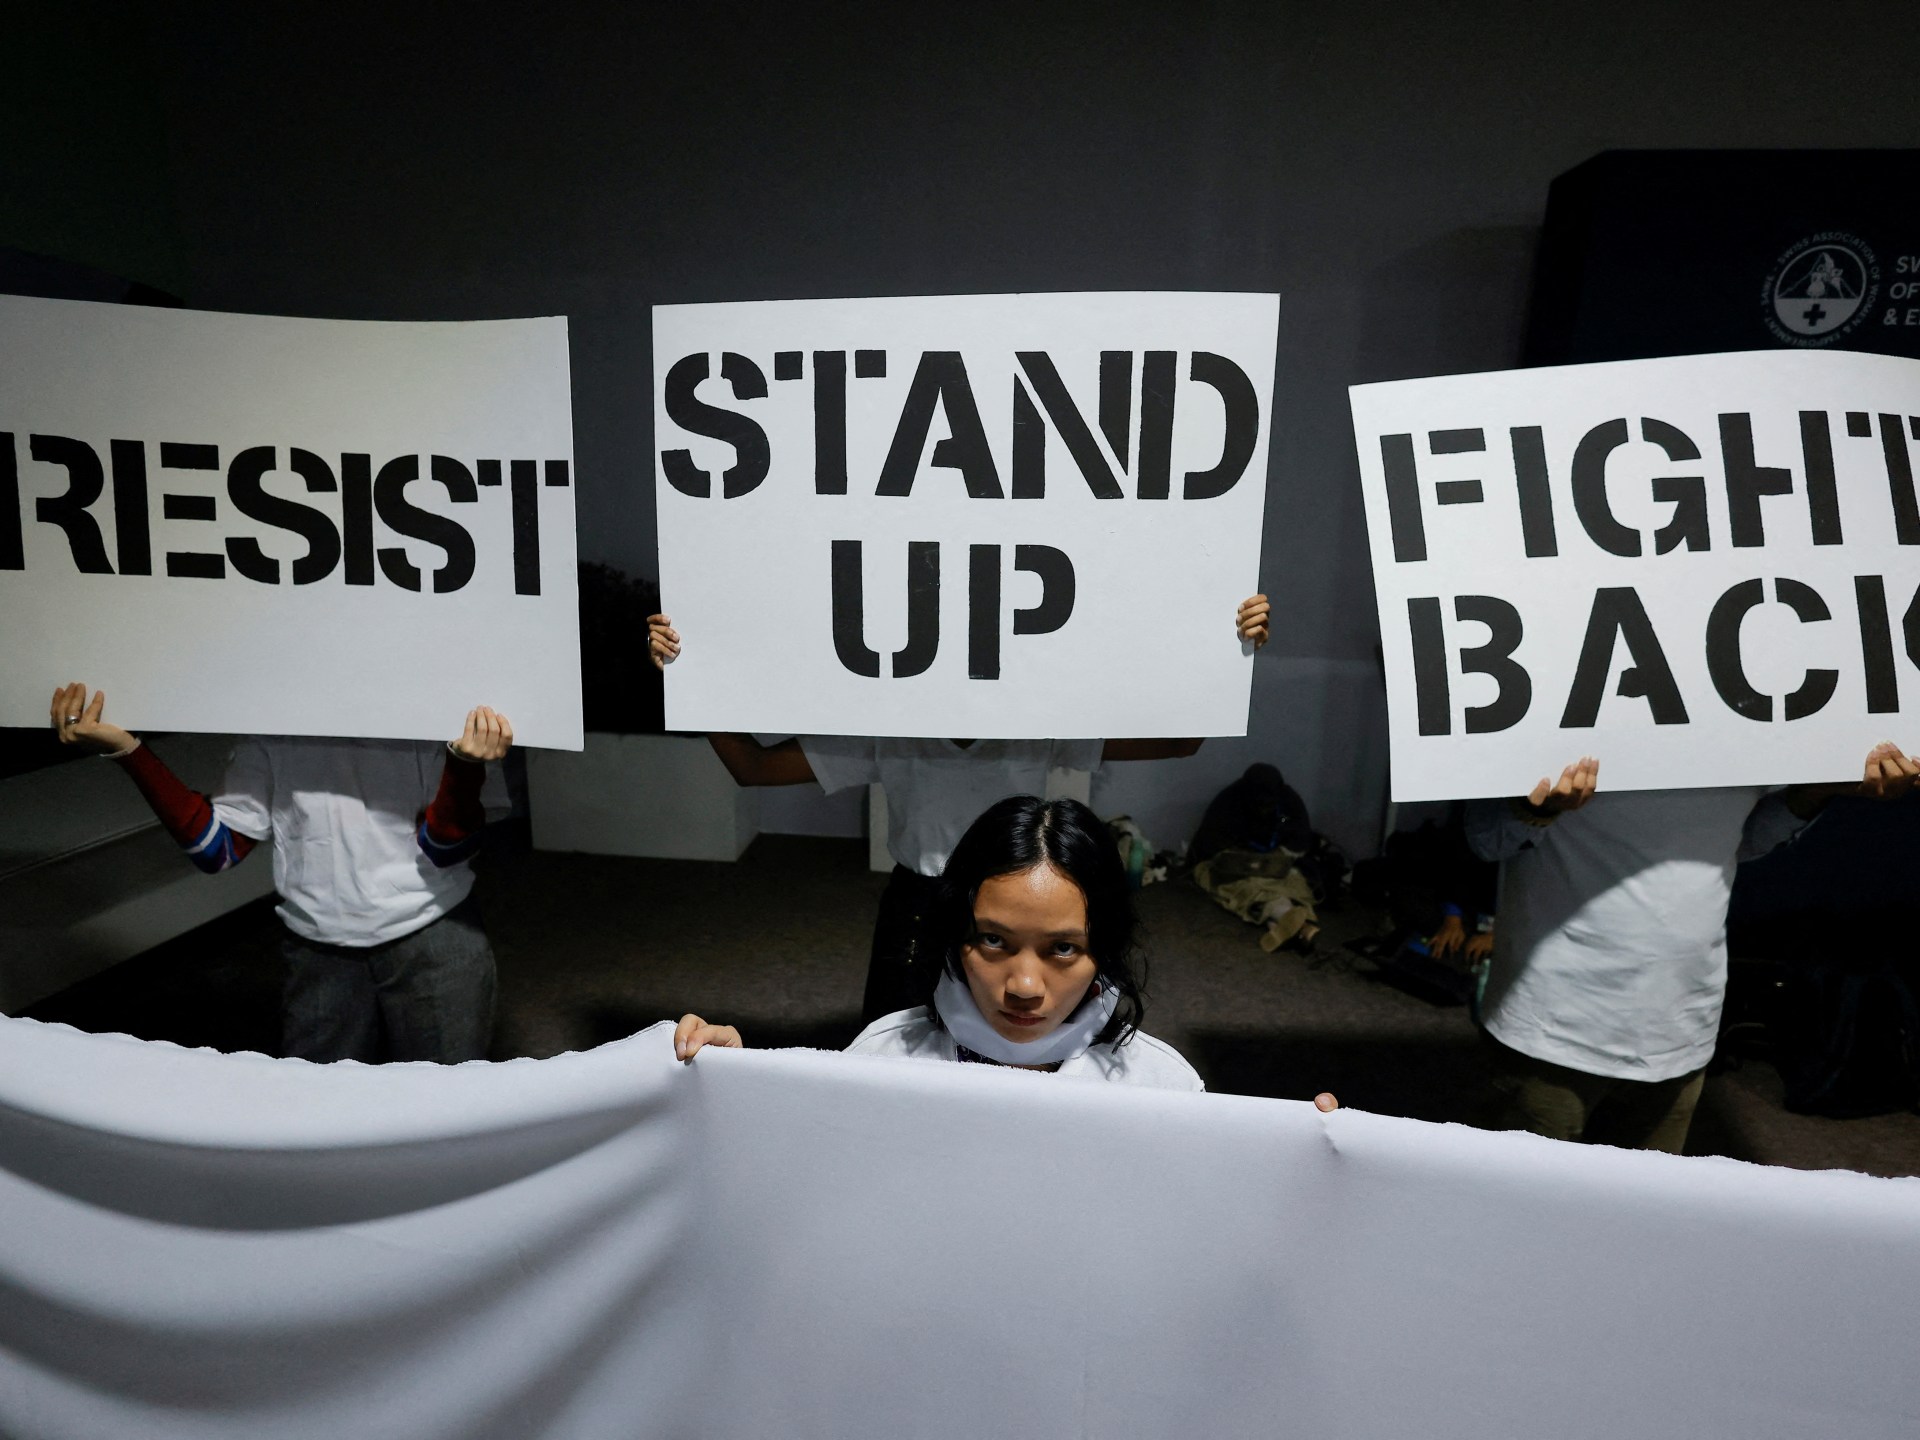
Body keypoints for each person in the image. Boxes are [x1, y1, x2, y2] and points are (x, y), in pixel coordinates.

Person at [648, 595, 1272, 1022]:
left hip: (1016, 910)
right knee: (889, 1047)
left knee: (1023, 1044)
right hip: (920, 905)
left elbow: (1181, 740)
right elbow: (753, 768)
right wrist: (686, 672)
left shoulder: (1036, 723)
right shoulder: (887, 726)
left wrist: (1231, 650)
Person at [676, 793, 1341, 1107]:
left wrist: (1310, 1164)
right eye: (992, 940)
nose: (1024, 985)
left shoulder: (1164, 1091)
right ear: (954, 932)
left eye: (1062, 950)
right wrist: (733, 1092)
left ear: (1104, 950)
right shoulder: (881, 1058)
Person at [1465, 745, 1917, 1152]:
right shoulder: (1561, 692)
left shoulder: (1742, 704)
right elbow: (1487, 838)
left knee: (1643, 1224)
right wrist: (1536, 809)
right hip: (1552, 1023)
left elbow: (1740, 839)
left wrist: (1815, 792)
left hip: (1683, 1022)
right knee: (1527, 1219)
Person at [49, 681, 513, 1064]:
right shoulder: (272, 722)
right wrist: (127, 749)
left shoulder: (442, 702)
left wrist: (466, 766)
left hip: (433, 930)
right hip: (317, 948)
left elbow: (446, 847)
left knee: (447, 1111)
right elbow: (217, 849)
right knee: (318, 1123)